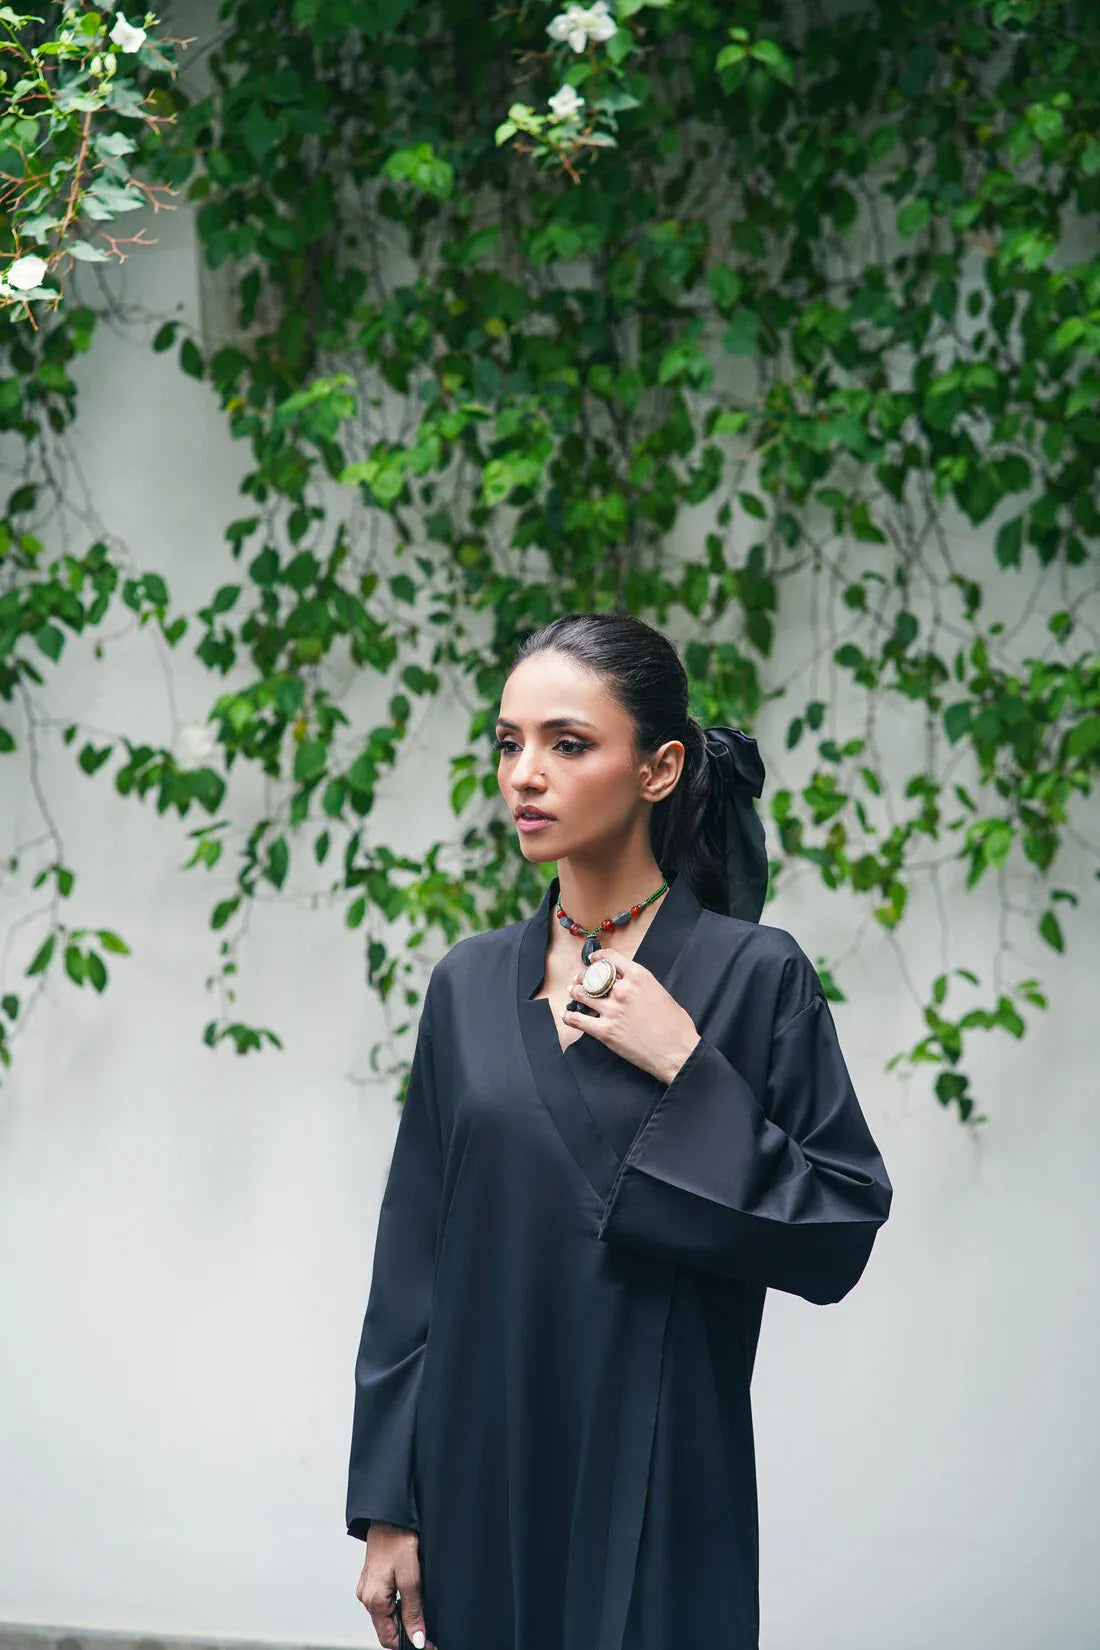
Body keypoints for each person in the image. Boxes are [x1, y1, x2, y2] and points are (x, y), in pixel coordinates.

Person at [346, 610, 893, 1650]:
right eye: (508, 743)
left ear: (658, 769)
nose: (524, 775)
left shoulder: (754, 976)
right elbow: (411, 1262)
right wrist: (387, 1507)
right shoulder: (466, 984)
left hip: (661, 1477)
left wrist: (688, 1067)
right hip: (476, 1479)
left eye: (567, 743)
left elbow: (836, 1233)